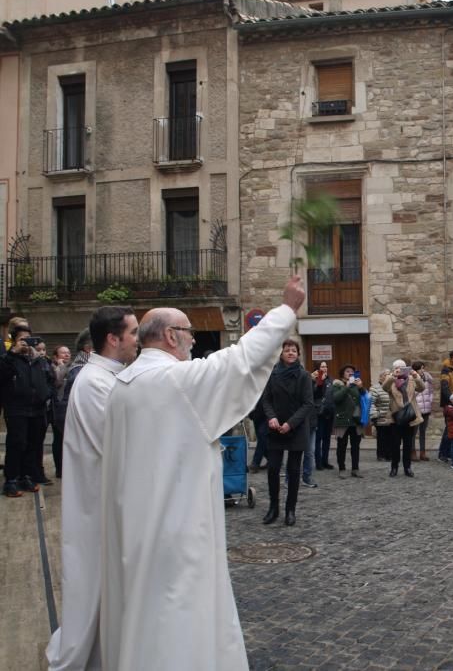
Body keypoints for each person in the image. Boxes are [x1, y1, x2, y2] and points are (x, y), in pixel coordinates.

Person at [99, 275, 305, 671]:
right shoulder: (172, 380)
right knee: (176, 614)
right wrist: (286, 310)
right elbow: (239, 360)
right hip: (174, 526)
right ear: (172, 336)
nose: (194, 339)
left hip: (136, 525)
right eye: (190, 332)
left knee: (145, 611)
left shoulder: (123, 384)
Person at [45, 306, 138, 671]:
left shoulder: (109, 377)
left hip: (102, 500)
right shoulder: (96, 383)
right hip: (96, 503)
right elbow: (118, 446)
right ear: (113, 339)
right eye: (131, 333)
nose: (136, 341)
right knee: (92, 585)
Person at [261, 339, 317, 525]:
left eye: (294, 350)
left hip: (297, 428)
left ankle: (290, 510)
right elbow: (266, 399)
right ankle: (273, 508)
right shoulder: (273, 374)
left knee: (294, 471)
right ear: (282, 353)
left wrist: (290, 424)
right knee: (273, 469)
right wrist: (271, 417)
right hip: (275, 427)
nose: (291, 353)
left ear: (298, 354)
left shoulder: (304, 376)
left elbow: (308, 403)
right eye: (287, 350)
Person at [1, 325, 54, 496]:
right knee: (17, 443)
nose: (26, 343)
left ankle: (26, 477)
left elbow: (49, 378)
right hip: (17, 408)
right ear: (15, 341)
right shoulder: (9, 358)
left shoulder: (38, 359)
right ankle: (11, 480)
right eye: (22, 339)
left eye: (28, 339)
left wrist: (45, 394)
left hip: (36, 408)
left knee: (32, 444)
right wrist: (12, 353)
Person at [384, 359, 425, 477]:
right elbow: (384, 388)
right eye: (397, 367)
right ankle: (394, 468)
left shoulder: (411, 379)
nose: (400, 370)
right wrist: (392, 376)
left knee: (408, 444)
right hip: (396, 416)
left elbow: (422, 388)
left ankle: (407, 467)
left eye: (402, 367)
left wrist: (417, 376)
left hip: (409, 416)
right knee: (395, 444)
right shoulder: (390, 379)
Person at [331, 364, 365, 478]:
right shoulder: (337, 385)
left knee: (356, 446)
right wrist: (346, 386)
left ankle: (355, 468)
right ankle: (342, 468)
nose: (350, 373)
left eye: (352, 371)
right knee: (341, 446)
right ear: (342, 374)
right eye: (347, 371)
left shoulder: (356, 385)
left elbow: (365, 398)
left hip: (356, 420)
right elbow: (336, 398)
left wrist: (361, 387)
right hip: (342, 420)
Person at [49, 345, 72, 478]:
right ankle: (60, 469)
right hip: (57, 408)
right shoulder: (53, 367)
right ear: (56, 356)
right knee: (58, 438)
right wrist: (61, 367)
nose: (66, 355)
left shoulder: (72, 367)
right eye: (63, 353)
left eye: (68, 353)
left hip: (68, 406)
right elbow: (56, 383)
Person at [312, 360, 335, 470]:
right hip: (318, 413)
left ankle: (325, 461)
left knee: (327, 438)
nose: (324, 368)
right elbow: (314, 394)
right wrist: (319, 382)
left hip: (328, 413)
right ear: (317, 368)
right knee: (318, 438)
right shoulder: (314, 379)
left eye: (325, 366)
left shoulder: (330, 379)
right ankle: (318, 462)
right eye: (322, 366)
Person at [369, 369, 392, 461]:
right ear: (381, 377)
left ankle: (389, 455)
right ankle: (381, 455)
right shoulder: (375, 388)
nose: (389, 376)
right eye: (387, 374)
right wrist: (376, 414)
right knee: (382, 437)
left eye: (390, 374)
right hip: (380, 417)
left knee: (391, 437)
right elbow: (371, 403)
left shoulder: (392, 387)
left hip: (391, 417)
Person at [413, 360, 433, 461]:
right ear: (416, 370)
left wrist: (430, 400)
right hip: (416, 409)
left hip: (426, 409)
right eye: (420, 368)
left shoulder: (428, 378)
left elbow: (431, 392)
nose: (422, 370)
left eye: (423, 368)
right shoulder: (412, 379)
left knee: (423, 432)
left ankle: (422, 453)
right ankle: (413, 453)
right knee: (413, 432)